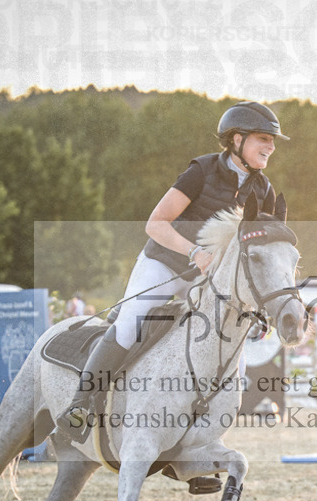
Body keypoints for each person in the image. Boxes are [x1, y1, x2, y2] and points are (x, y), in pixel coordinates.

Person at [57, 101, 287, 439]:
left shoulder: (263, 189)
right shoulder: (202, 171)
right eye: (263, 138)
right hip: (165, 263)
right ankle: (81, 405)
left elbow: (254, 253)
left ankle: (200, 439)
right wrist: (194, 252)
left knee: (231, 353)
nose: (271, 146)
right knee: (130, 322)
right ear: (237, 139)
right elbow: (155, 223)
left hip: (207, 281)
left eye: (272, 141)